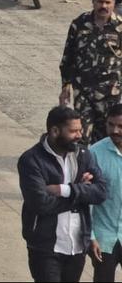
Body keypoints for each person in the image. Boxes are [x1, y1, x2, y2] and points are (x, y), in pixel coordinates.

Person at [18, 106, 107, 282]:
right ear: (54, 131)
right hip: (45, 247)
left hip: (77, 246)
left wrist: (65, 190)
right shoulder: (31, 160)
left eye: (80, 130)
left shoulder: (83, 155)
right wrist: (81, 194)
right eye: (73, 131)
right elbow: (40, 204)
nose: (79, 135)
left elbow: (101, 192)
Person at [60, 0, 122, 143]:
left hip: (111, 94)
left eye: (108, 2)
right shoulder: (79, 24)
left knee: (109, 138)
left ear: (114, 3)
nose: (104, 6)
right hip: (84, 92)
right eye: (100, 2)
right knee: (81, 137)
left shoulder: (119, 27)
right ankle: (83, 166)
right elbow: (68, 57)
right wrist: (66, 84)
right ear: (93, 2)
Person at [90, 104, 122, 282]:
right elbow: (86, 200)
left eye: (120, 126)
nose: (114, 130)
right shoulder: (95, 153)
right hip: (104, 238)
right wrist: (91, 237)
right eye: (111, 125)